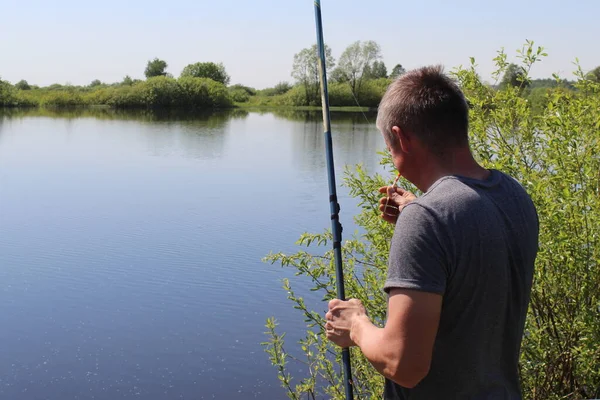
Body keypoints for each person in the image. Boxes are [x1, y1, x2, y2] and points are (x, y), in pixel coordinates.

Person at [324, 65, 539, 399]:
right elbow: (470, 251)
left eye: (389, 145)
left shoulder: (428, 218)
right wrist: (416, 210)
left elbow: (403, 364)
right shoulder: (514, 195)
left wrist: (356, 325)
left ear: (403, 138)